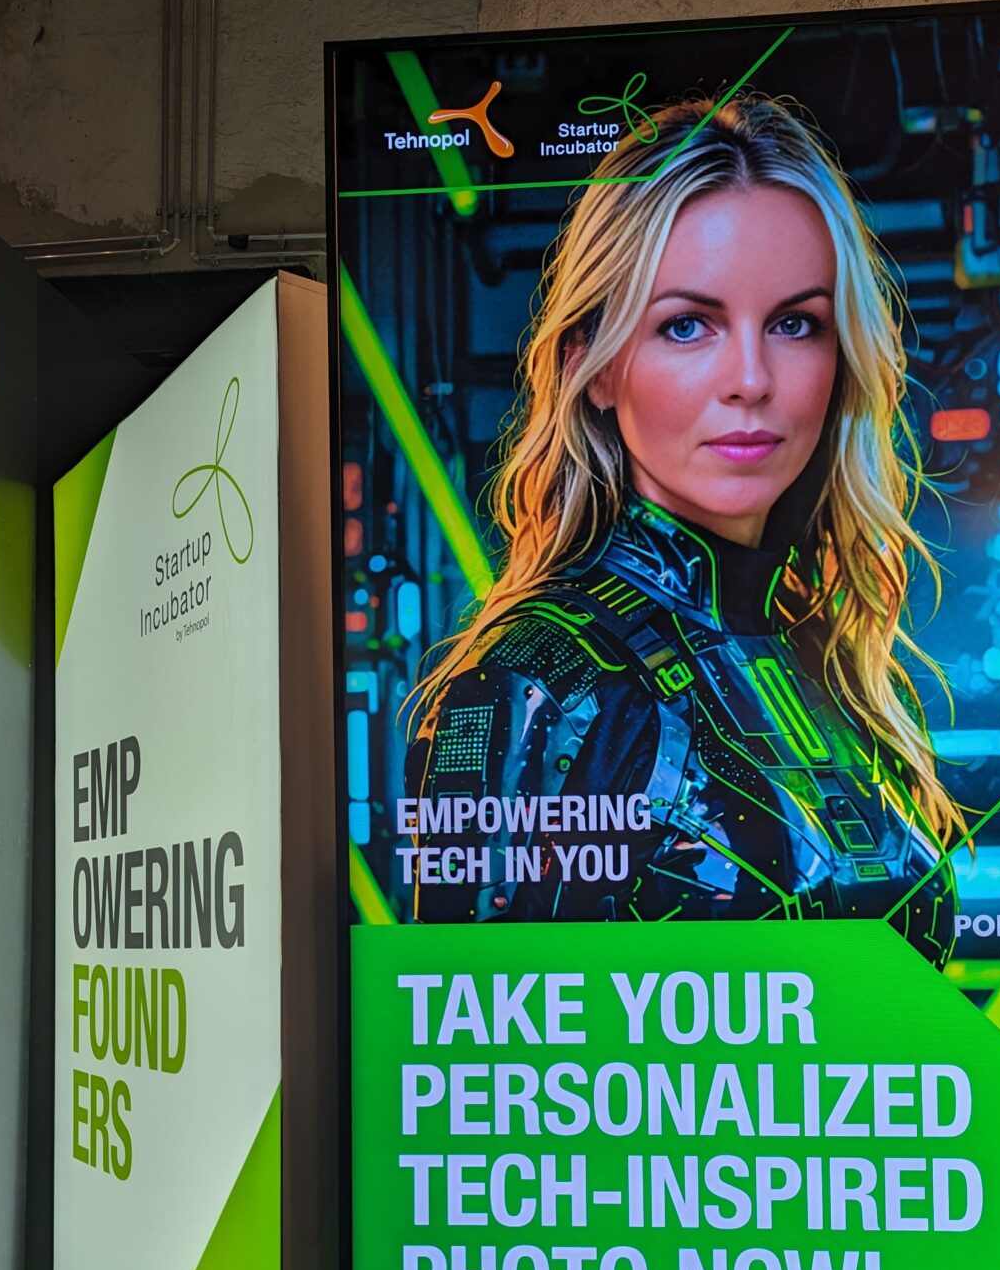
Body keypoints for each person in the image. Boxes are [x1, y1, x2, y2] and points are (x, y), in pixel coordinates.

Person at [405, 92, 961, 966]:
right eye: (687, 325)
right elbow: (475, 1032)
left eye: (795, 323)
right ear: (593, 368)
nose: (751, 379)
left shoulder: (826, 655)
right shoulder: (533, 680)